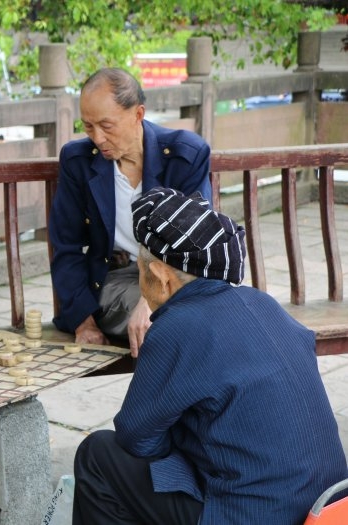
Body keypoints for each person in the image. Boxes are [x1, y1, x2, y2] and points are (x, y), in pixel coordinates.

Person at [73, 187, 348, 525]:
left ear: (160, 275)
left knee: (99, 454)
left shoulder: (178, 326)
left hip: (256, 515)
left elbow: (136, 437)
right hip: (328, 506)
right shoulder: (261, 303)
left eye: (139, 271)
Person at [48, 67, 212, 355]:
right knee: (178, 322)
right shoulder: (78, 162)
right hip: (114, 280)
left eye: (106, 126)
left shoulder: (185, 156)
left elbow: (194, 241)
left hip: (177, 277)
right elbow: (66, 247)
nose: (97, 138)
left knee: (214, 310)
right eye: (88, 126)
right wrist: (83, 323)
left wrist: (149, 302)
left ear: (138, 114)